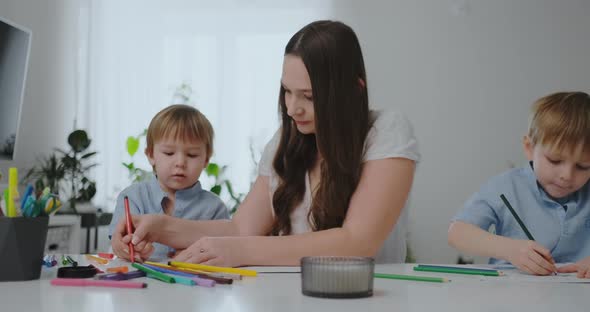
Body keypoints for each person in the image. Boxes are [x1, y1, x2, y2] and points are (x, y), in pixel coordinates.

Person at [112, 20, 420, 266]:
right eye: (287, 91)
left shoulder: (385, 131)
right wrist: (159, 227)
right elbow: (239, 230)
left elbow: (357, 242)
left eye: (309, 96)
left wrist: (241, 252)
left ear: (354, 90)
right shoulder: (285, 142)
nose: (292, 108)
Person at [448, 91, 590, 278]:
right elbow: (457, 233)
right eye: (555, 160)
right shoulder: (505, 187)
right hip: (513, 295)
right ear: (529, 148)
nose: (566, 175)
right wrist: (508, 249)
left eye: (583, 166)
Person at [109, 104, 228, 261]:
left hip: (195, 283)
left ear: (206, 159)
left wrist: (200, 254)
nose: (180, 162)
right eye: (169, 153)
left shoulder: (214, 208)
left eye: (192, 155)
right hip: (142, 280)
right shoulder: (132, 197)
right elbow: (117, 242)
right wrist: (125, 247)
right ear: (151, 154)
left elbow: (224, 250)